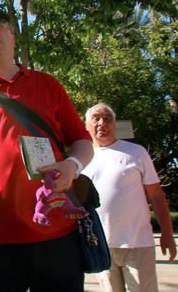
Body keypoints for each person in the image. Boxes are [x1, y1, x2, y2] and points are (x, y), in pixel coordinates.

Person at [0, 3, 94, 292]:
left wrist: (72, 166)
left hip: (57, 234)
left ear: (13, 36)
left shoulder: (48, 86)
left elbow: (82, 141)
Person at [82, 103, 176, 292]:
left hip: (137, 243)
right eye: (96, 119)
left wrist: (167, 232)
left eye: (107, 119)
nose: (102, 123)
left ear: (115, 125)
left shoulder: (136, 152)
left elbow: (156, 194)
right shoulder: (83, 158)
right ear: (87, 125)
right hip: (102, 246)